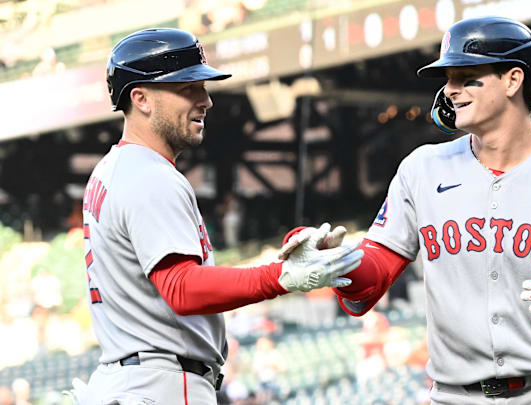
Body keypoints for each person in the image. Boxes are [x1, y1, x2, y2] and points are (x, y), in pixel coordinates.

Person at [289, 17, 531, 404]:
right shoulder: (422, 169)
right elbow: (377, 271)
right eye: (447, 79)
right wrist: (339, 262)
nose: (449, 91)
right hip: (452, 396)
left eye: (466, 77)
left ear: (513, 80)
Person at [76, 28, 363, 405]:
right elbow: (180, 288)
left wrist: (276, 263)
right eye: (187, 88)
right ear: (141, 98)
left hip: (131, 378)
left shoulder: (112, 169)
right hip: (160, 383)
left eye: (203, 87)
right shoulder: (149, 175)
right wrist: (281, 277)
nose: (205, 101)